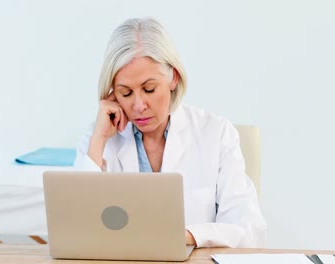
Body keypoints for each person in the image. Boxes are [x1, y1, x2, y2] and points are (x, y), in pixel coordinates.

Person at [74, 17, 267, 248]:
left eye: (149, 89)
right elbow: (77, 229)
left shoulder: (216, 133)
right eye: (125, 93)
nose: (138, 106)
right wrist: (98, 140)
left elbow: (248, 229)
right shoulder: (100, 138)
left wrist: (182, 237)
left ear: (173, 78)